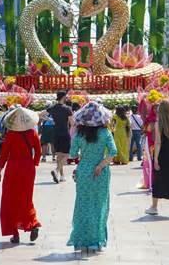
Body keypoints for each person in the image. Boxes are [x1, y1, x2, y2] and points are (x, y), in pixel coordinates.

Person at [68, 101, 117, 253]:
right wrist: (100, 165)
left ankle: (80, 240)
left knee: (82, 205)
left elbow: (72, 155)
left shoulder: (79, 135)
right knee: (99, 205)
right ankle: (96, 241)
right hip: (101, 173)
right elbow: (113, 152)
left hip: (83, 170)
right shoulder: (105, 133)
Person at [0, 106, 42, 244]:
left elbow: (4, 154)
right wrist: (33, 163)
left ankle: (15, 234)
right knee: (26, 198)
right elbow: (38, 152)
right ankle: (33, 223)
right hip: (28, 168)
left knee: (10, 199)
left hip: (13, 168)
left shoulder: (11, 134)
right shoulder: (32, 133)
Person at [48, 91, 75, 183]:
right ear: (63, 97)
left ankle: (61, 176)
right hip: (64, 133)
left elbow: (44, 114)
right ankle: (56, 170)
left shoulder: (53, 108)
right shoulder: (67, 108)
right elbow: (72, 123)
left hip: (55, 133)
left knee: (59, 155)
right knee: (67, 154)